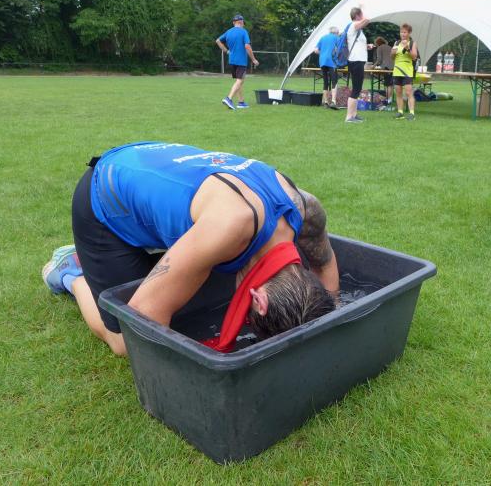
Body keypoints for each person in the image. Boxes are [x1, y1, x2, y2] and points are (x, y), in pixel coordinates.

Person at [41, 142, 339, 356]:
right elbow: (142, 318)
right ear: (258, 301)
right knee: (124, 343)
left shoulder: (304, 209)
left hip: (159, 165)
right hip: (105, 192)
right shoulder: (228, 228)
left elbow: (325, 267)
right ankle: (71, 272)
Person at [215, 14, 260, 110]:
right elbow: (247, 46)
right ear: (241, 22)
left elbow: (218, 41)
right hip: (241, 61)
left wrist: (226, 51)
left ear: (233, 23)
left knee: (239, 81)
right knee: (239, 81)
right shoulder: (243, 32)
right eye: (243, 23)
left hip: (232, 60)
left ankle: (241, 102)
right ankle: (229, 98)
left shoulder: (228, 32)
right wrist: (253, 59)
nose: (243, 24)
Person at [345, 6, 371, 124]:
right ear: (357, 16)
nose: (362, 17)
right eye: (361, 15)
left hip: (358, 60)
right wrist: (362, 9)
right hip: (356, 60)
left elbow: (356, 44)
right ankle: (349, 117)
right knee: (356, 89)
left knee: (357, 88)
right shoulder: (354, 25)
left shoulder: (357, 29)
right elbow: (367, 19)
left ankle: (354, 115)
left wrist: (367, 46)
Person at [391, 24, 419, 120]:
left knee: (408, 93)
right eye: (401, 32)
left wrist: (407, 48)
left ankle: (412, 113)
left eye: (405, 32)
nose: (402, 34)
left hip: (407, 71)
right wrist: (392, 53)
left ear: (409, 33)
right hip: (397, 70)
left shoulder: (412, 43)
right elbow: (392, 57)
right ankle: (400, 112)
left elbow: (414, 57)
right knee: (398, 93)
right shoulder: (396, 42)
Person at [313, 27, 340, 109]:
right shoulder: (336, 38)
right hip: (331, 62)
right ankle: (333, 102)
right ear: (336, 32)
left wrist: (323, 53)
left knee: (325, 82)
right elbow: (340, 49)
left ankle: (325, 102)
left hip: (322, 61)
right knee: (334, 81)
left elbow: (315, 50)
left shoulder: (323, 37)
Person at [373, 37, 393, 105]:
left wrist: (373, 66)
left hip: (386, 67)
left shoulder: (379, 48)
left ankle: (387, 100)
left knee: (387, 84)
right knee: (390, 84)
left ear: (378, 43)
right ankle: (390, 99)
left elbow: (379, 60)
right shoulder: (390, 47)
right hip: (393, 67)